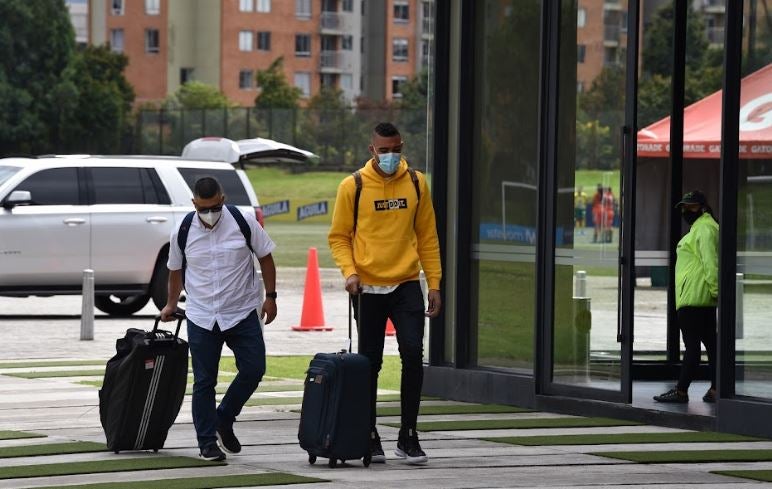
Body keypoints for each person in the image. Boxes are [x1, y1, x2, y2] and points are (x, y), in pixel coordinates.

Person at [328, 122, 442, 466]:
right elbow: (339, 236)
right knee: (370, 363)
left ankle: (408, 435)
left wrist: (434, 283)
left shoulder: (418, 184)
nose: (390, 156)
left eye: (395, 149)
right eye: (383, 150)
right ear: (371, 150)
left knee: (412, 353)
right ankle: (369, 433)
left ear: (402, 146)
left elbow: (428, 237)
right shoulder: (353, 186)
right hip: (367, 287)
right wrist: (349, 273)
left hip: (407, 282)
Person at [160, 176, 277, 461]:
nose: (208, 213)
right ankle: (207, 442)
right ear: (194, 204)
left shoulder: (243, 220)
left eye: (213, 207)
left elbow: (266, 257)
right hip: (202, 316)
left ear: (222, 200)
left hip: (241, 311)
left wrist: (271, 296)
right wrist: (171, 303)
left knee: (254, 370)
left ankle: (224, 416)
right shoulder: (184, 229)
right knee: (204, 381)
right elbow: (175, 270)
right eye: (203, 208)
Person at [654, 190, 718, 404]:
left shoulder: (705, 228)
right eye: (683, 207)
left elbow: (711, 263)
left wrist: (717, 291)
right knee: (711, 344)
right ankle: (717, 388)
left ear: (702, 207)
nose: (685, 211)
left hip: (694, 298)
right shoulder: (701, 228)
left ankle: (681, 391)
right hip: (697, 297)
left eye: (690, 206)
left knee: (693, 346)